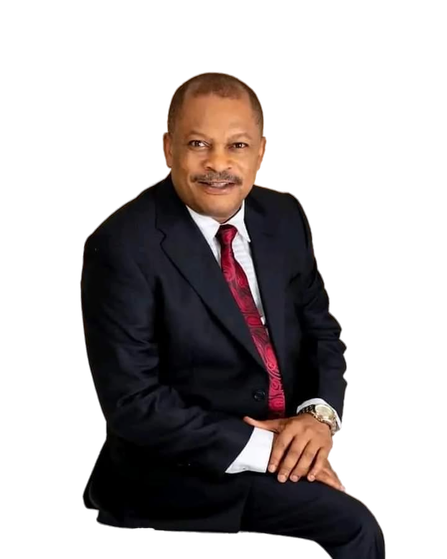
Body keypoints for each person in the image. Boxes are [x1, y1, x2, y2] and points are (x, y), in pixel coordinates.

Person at [81, 71, 385, 555]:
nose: (218, 163)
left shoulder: (283, 215)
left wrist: (317, 419)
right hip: (178, 472)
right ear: (168, 150)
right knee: (354, 527)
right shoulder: (121, 246)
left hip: (287, 437)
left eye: (237, 145)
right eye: (198, 144)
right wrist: (276, 452)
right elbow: (135, 404)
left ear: (261, 152)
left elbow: (321, 330)